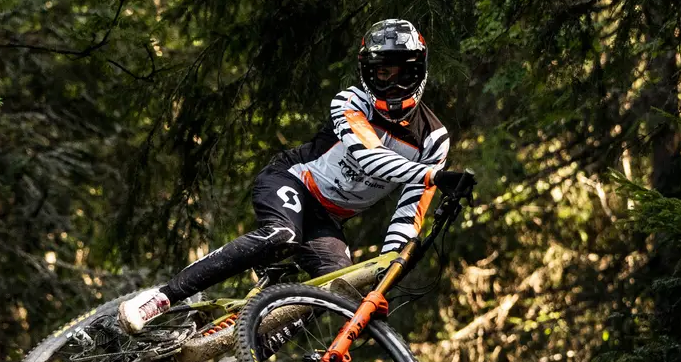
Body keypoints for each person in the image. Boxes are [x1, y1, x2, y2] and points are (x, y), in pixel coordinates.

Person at [119, 17, 470, 334]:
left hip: (327, 219)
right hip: (292, 181)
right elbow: (372, 159)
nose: (390, 84)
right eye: (381, 73)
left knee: (341, 288)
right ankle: (160, 298)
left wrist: (385, 276)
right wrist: (435, 177)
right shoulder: (350, 102)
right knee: (282, 234)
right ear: (367, 73)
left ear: (418, 71)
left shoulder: (433, 138)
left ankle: (245, 354)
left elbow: (409, 215)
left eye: (400, 73)